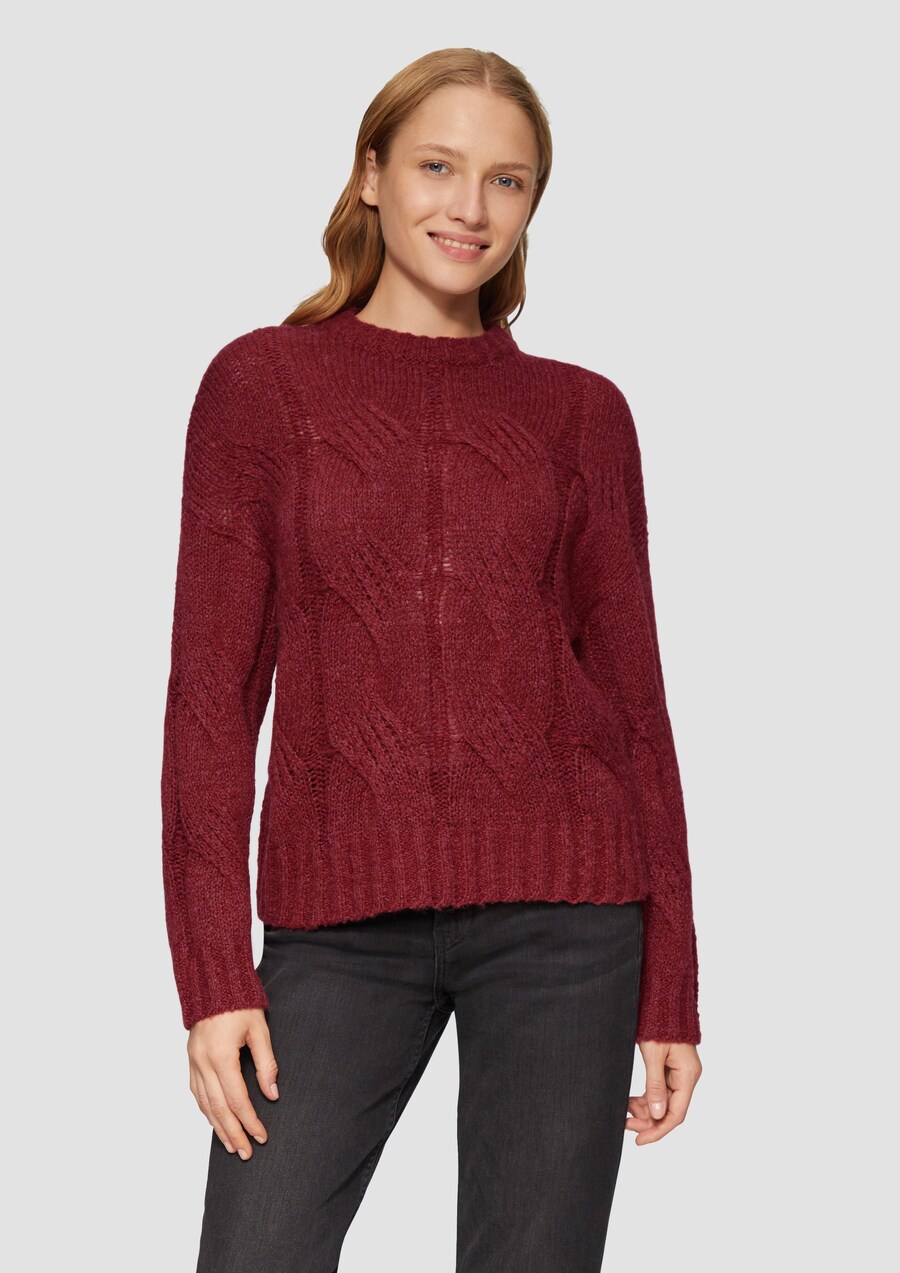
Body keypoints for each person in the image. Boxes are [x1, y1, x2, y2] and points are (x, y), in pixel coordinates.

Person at [161, 46, 703, 1272]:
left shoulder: (581, 414)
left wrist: (670, 979)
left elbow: (636, 709)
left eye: (507, 180)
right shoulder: (262, 389)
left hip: (567, 920)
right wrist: (212, 974)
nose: (471, 207)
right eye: (438, 167)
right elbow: (209, 701)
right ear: (371, 174)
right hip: (335, 925)